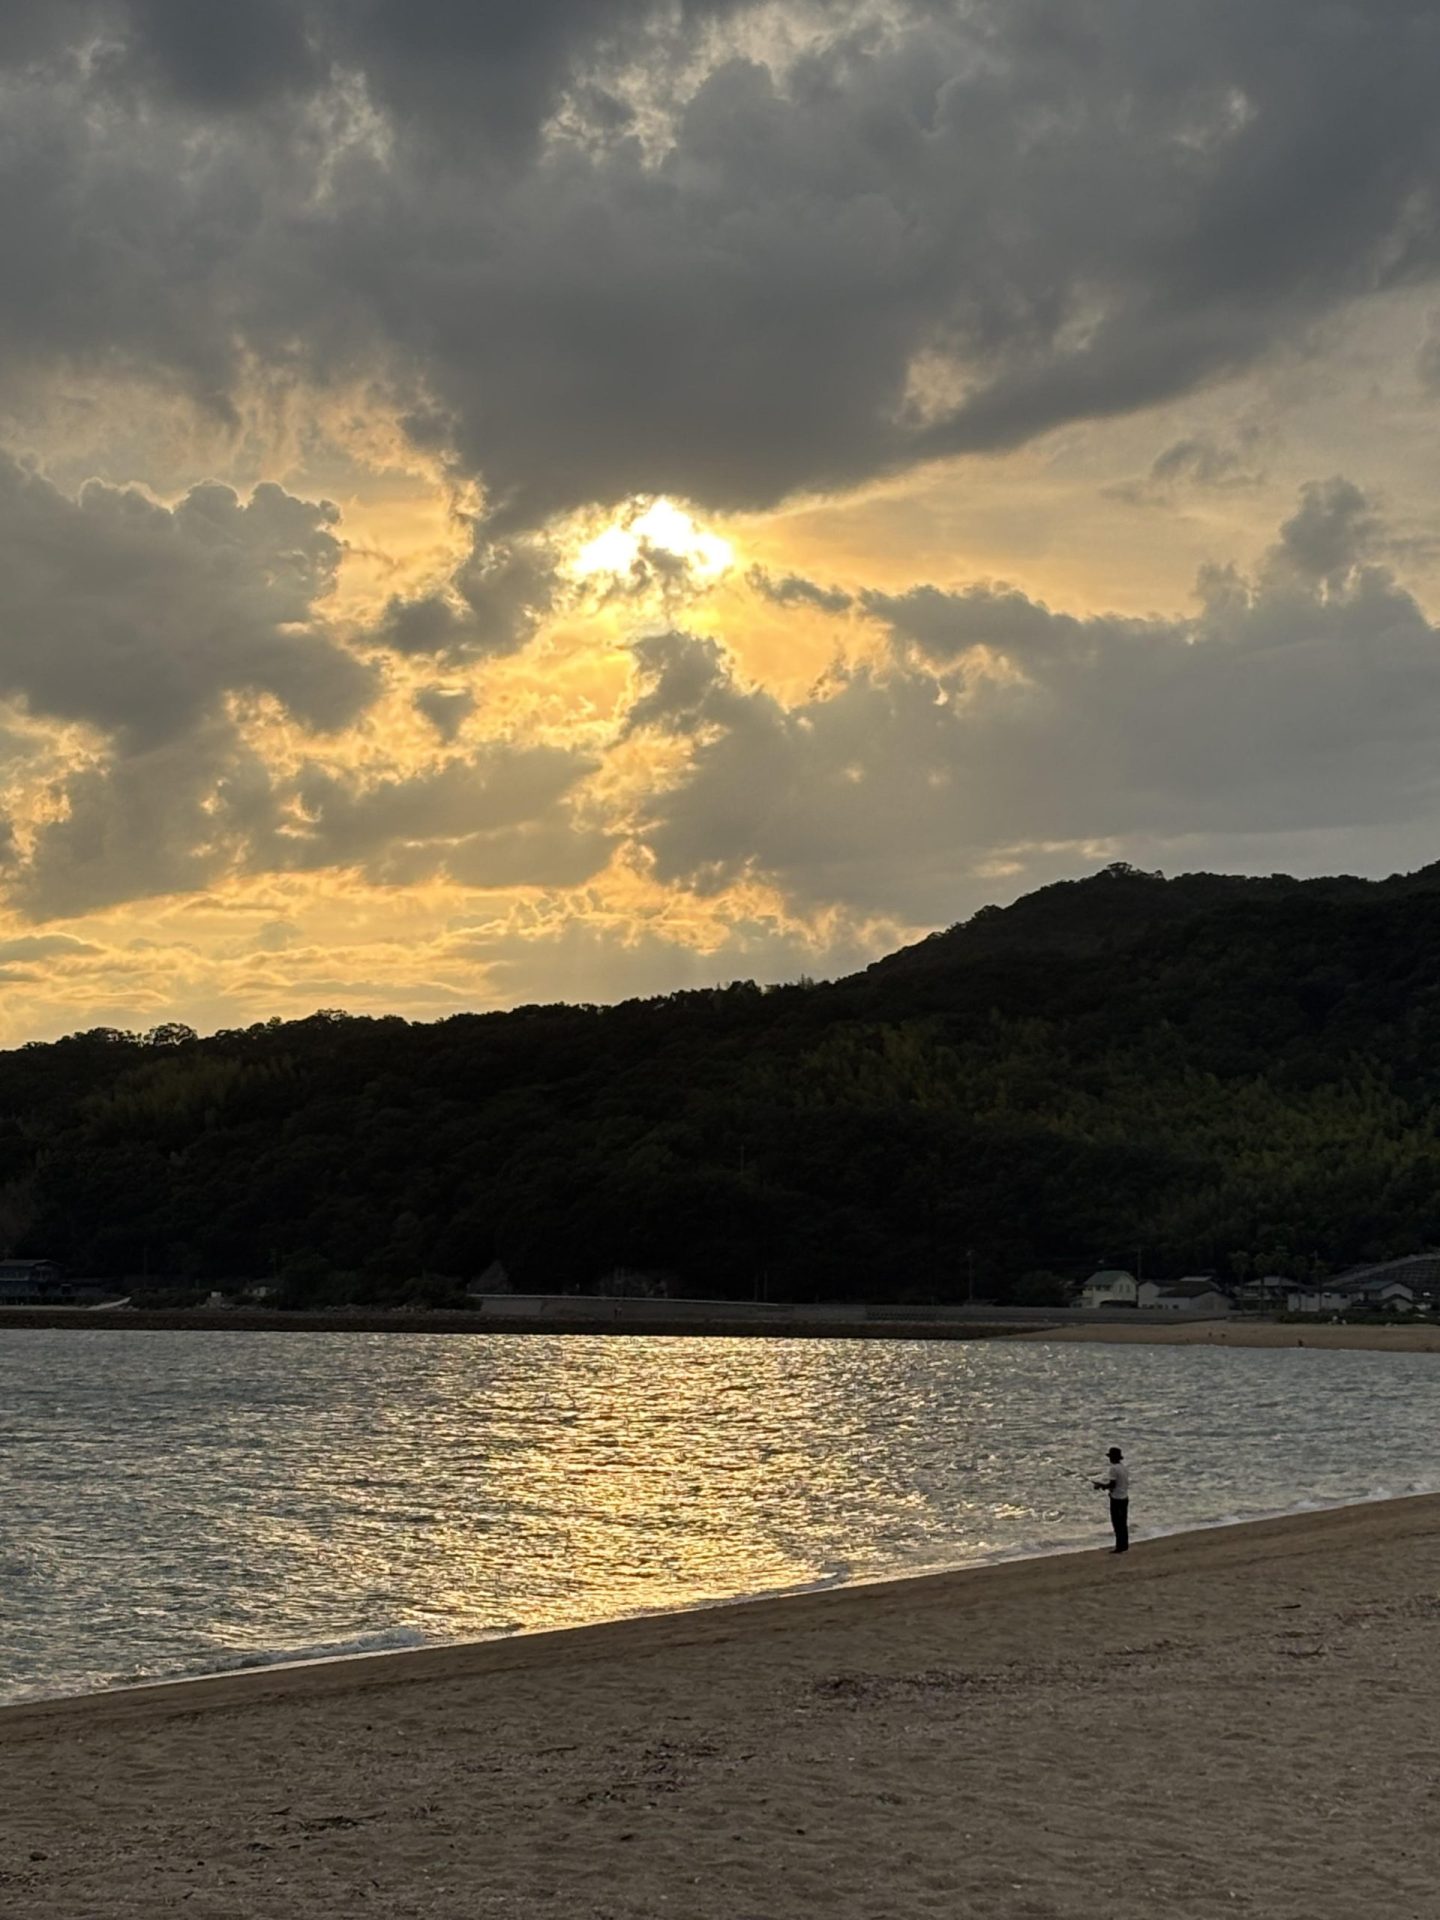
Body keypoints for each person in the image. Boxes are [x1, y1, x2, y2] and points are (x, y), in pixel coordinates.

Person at [1093, 1447, 1129, 1553]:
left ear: (1112, 1457)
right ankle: (1124, 1545)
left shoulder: (1113, 1469)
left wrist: (1101, 1486)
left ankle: (1119, 1546)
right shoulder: (1123, 1468)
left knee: (1117, 1523)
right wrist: (1103, 1486)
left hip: (1117, 1499)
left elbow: (1112, 1485)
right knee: (1123, 1522)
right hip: (1124, 1497)